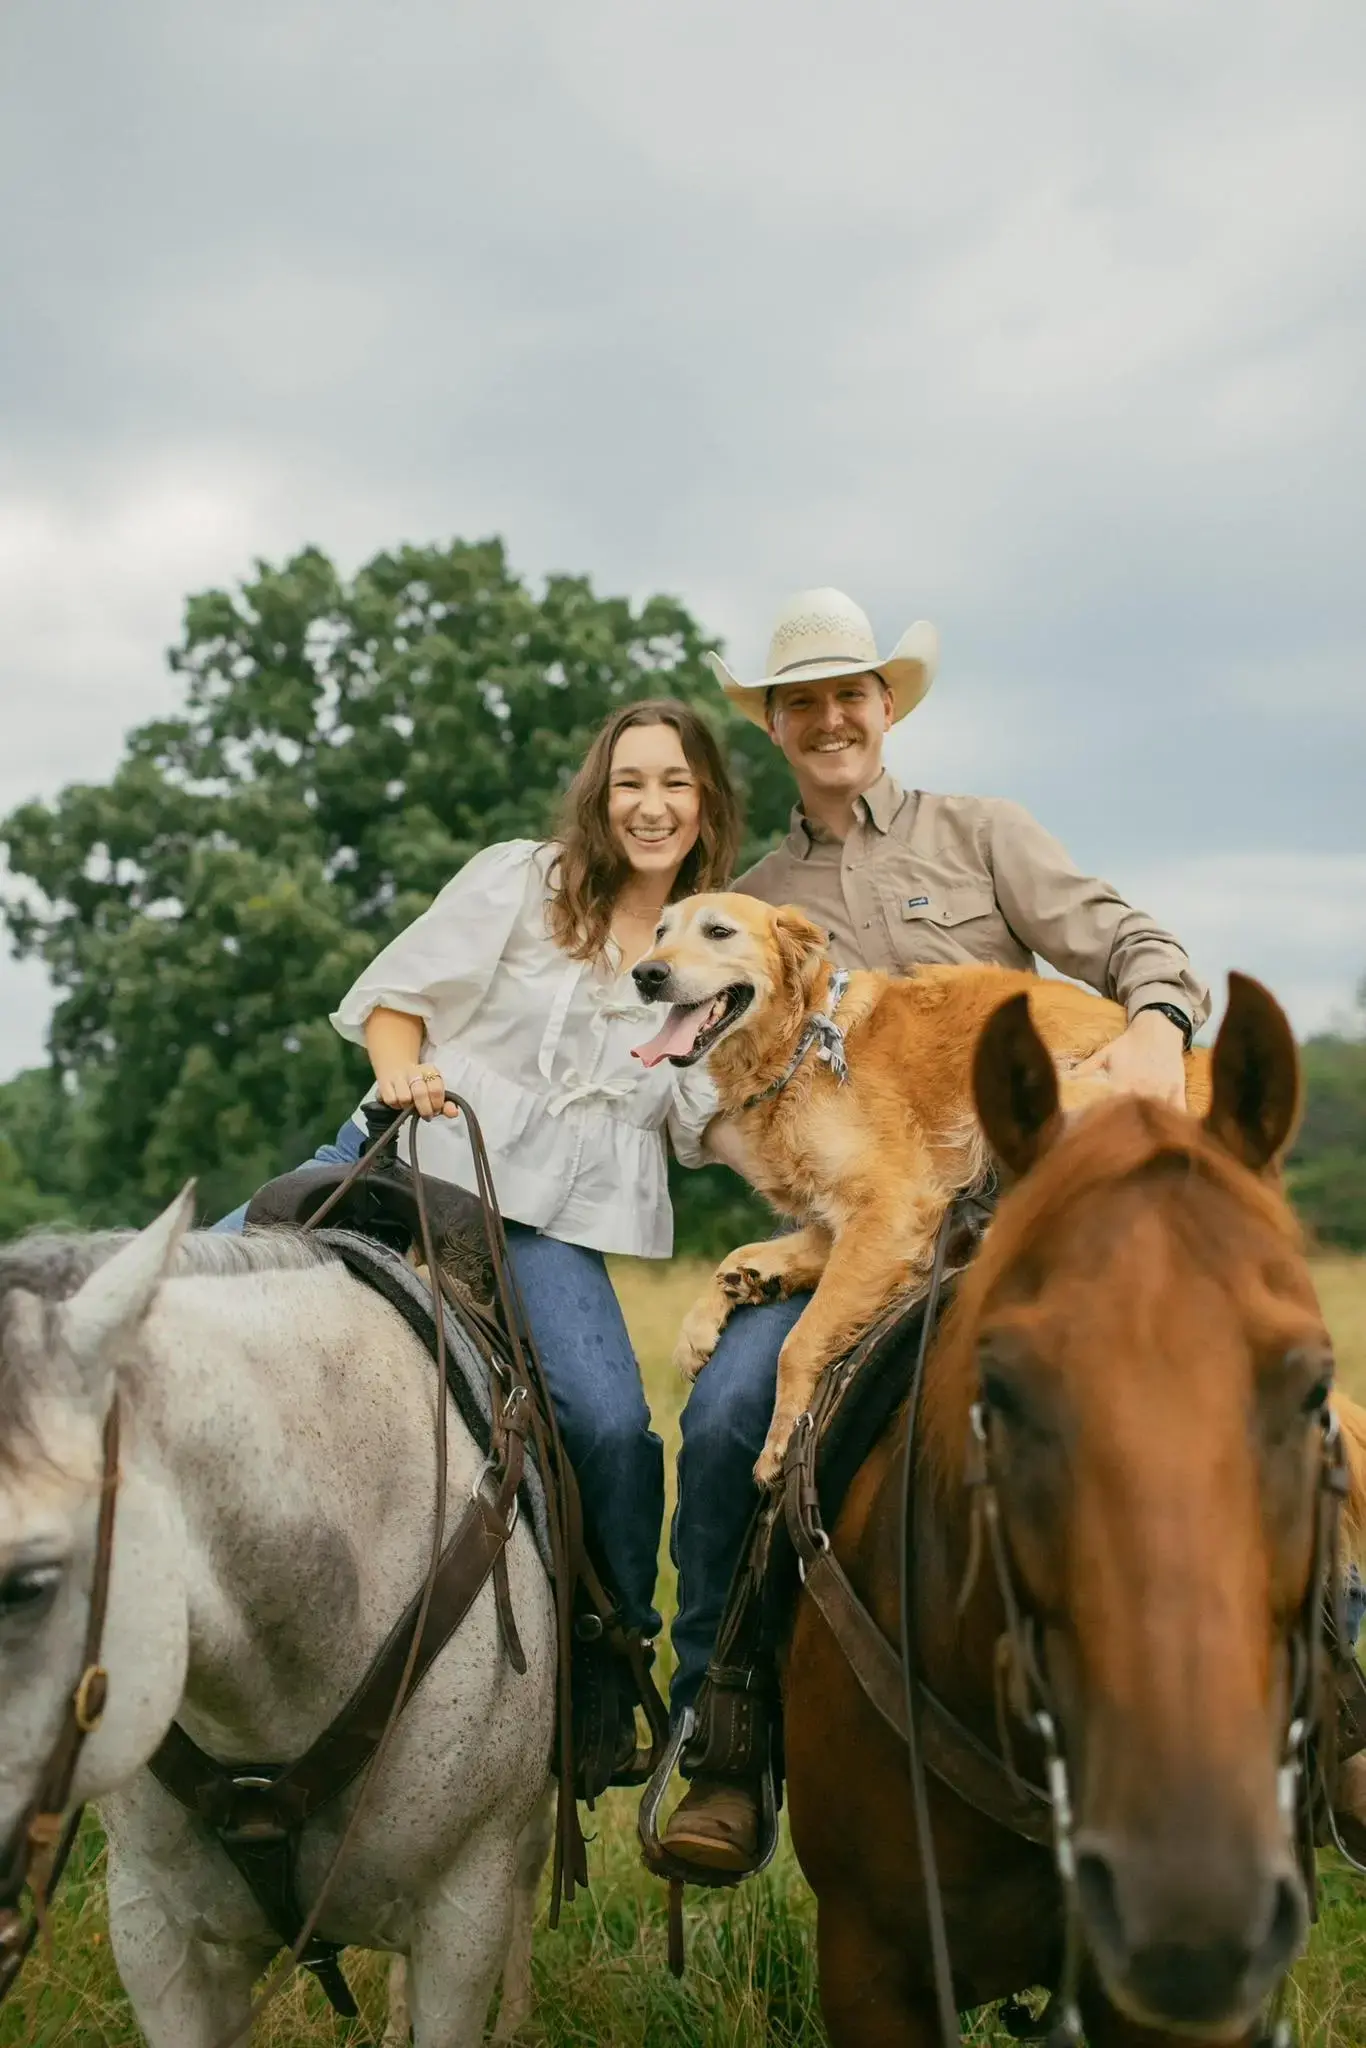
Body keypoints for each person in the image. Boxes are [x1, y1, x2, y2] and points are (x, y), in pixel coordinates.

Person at [660, 588, 1211, 1870]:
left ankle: (1333, 1696)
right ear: (778, 726)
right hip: (877, 1238)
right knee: (738, 1402)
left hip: (1044, 1200)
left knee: (1225, 1374)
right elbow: (723, 1091)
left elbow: (1132, 942)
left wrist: (1151, 1030)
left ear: (887, 706)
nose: (830, 715)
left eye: (852, 691)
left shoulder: (983, 835)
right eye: (803, 699)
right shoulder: (745, 905)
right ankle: (727, 1727)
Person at [222, 698, 743, 1688]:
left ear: (707, 801)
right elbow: (396, 1003)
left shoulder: (709, 952)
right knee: (166, 1289)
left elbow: (701, 1118)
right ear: (600, 793)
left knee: (607, 1425)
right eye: (629, 780)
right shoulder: (526, 877)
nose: (650, 804)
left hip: (544, 1225)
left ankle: (610, 1655)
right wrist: (398, 1074)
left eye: (674, 782)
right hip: (409, 1157)